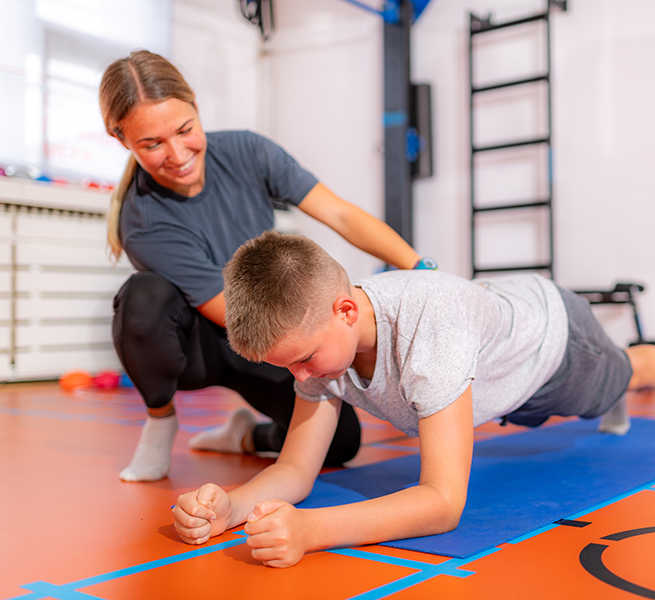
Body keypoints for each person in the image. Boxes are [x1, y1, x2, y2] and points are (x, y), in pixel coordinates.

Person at [171, 231, 655, 568]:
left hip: (554, 340)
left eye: (303, 359)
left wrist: (312, 530)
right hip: (492, 372)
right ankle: (615, 394)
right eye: (285, 365)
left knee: (616, 381)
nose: (299, 376)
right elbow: (294, 468)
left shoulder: (429, 327)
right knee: (581, 404)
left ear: (345, 310)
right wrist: (232, 506)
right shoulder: (318, 347)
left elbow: (443, 503)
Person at [100, 50, 428, 483]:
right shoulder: (142, 221)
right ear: (121, 139)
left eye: (184, 130)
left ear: (196, 107)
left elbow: (341, 215)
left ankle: (246, 435)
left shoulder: (247, 150)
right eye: (152, 144)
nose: (178, 154)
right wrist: (333, 342)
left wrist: (421, 270)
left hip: (264, 334)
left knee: (340, 444)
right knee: (143, 299)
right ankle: (160, 420)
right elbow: (231, 313)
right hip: (205, 346)